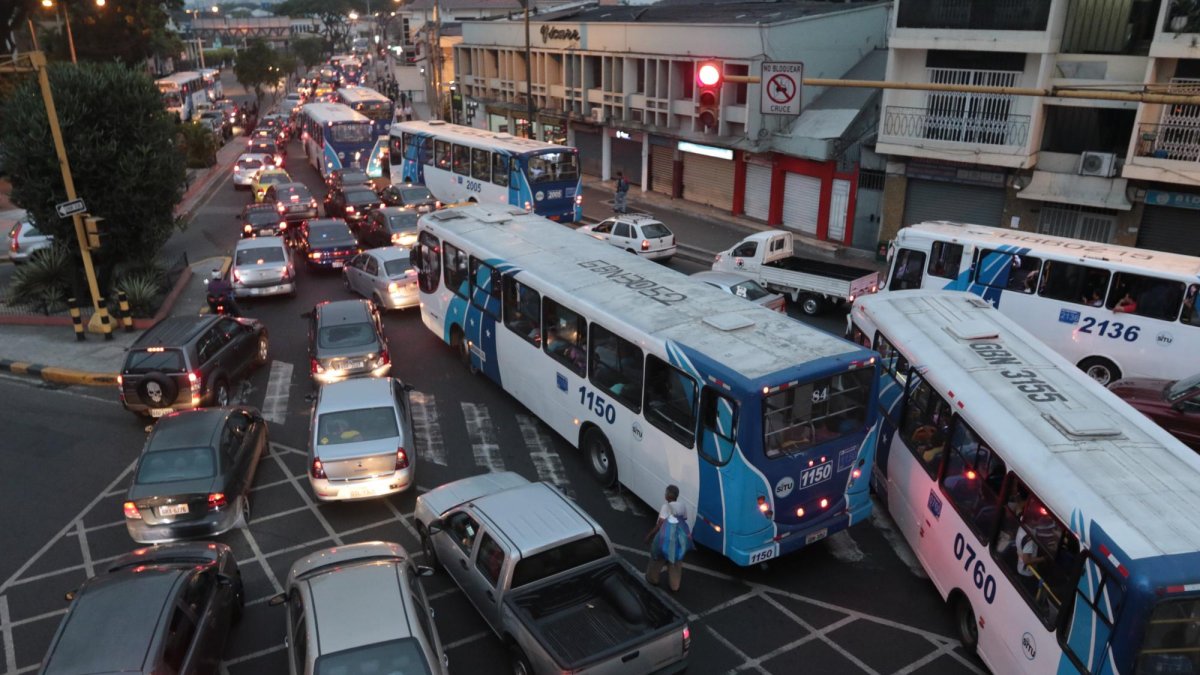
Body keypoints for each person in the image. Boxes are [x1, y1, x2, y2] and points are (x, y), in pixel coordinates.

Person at [644, 485, 690, 591]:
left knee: (657, 557)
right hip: (678, 539)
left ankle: (653, 579)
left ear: (669, 496)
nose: (664, 494)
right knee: (675, 561)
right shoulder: (682, 506)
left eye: (666, 492)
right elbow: (684, 518)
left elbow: (660, 524)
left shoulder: (666, 507)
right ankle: (675, 585)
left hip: (664, 539)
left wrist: (649, 535)